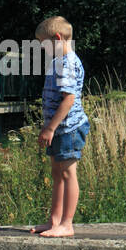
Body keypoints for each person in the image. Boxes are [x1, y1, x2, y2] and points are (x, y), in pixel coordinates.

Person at [29, 15, 89, 237]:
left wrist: (50, 128)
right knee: (57, 172)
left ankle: (67, 224)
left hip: (68, 128)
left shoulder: (68, 63)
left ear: (56, 38)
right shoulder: (58, 61)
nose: (42, 48)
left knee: (68, 173)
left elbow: (68, 99)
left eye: (43, 43)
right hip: (59, 128)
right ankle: (54, 220)